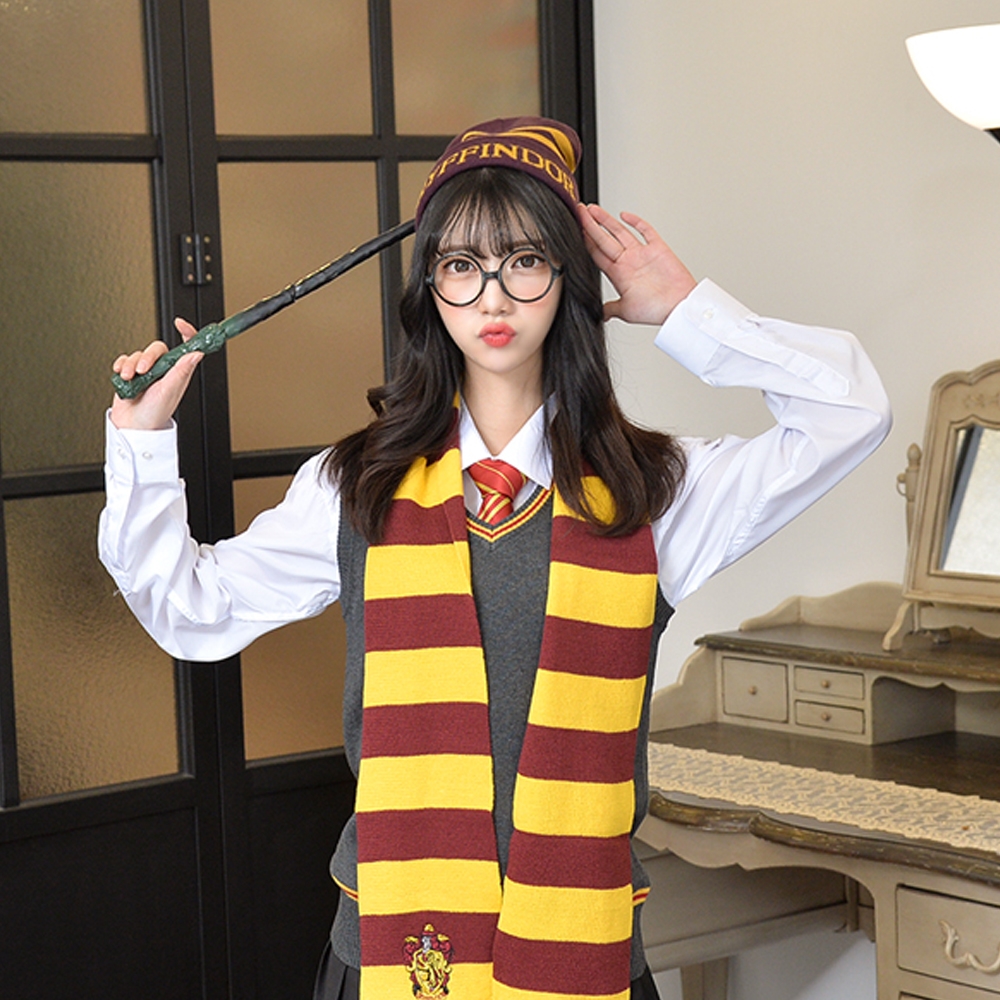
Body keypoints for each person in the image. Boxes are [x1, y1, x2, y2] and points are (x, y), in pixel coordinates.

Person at [99, 117, 891, 1000]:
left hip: (582, 951)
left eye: (525, 260)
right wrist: (142, 442)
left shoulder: (656, 492)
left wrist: (687, 311)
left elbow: (850, 414)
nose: (494, 298)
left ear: (567, 276)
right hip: (394, 952)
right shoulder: (355, 486)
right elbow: (193, 612)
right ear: (431, 286)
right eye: (462, 265)